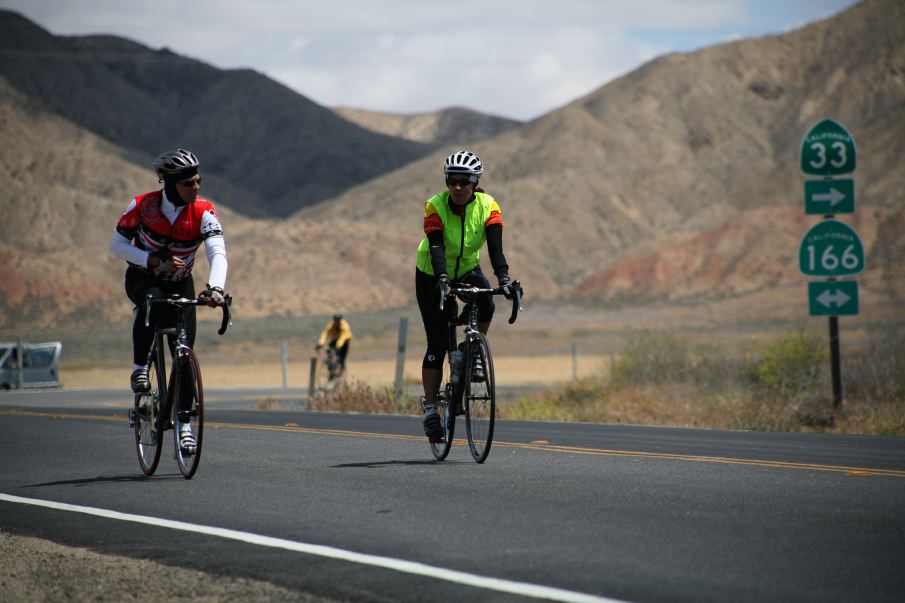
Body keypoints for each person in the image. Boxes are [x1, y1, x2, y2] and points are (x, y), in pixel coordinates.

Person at [109, 148, 227, 451]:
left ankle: (184, 425)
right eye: (189, 183)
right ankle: (138, 369)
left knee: (184, 353)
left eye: (198, 181)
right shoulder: (142, 206)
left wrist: (215, 287)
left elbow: (217, 251)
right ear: (169, 183)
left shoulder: (203, 210)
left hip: (180, 284)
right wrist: (148, 259)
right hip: (143, 277)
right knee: (150, 301)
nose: (196, 187)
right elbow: (117, 245)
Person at [415, 150, 516, 443]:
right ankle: (431, 409)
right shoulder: (434, 206)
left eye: (464, 181)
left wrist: (504, 279)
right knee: (436, 341)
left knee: (486, 302)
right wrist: (444, 280)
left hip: (468, 267)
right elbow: (435, 247)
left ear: (475, 182)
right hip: (432, 272)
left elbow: (496, 250)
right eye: (452, 181)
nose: (457, 187)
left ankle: (469, 352)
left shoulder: (489, 206)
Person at [316, 314, 352, 380]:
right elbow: (325, 333)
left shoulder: (344, 326)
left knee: (341, 358)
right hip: (335, 340)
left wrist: (338, 346)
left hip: (344, 342)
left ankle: (340, 370)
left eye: (337, 321)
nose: (336, 323)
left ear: (340, 321)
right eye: (335, 321)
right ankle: (331, 370)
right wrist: (320, 343)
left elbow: (343, 337)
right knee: (329, 353)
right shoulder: (331, 325)